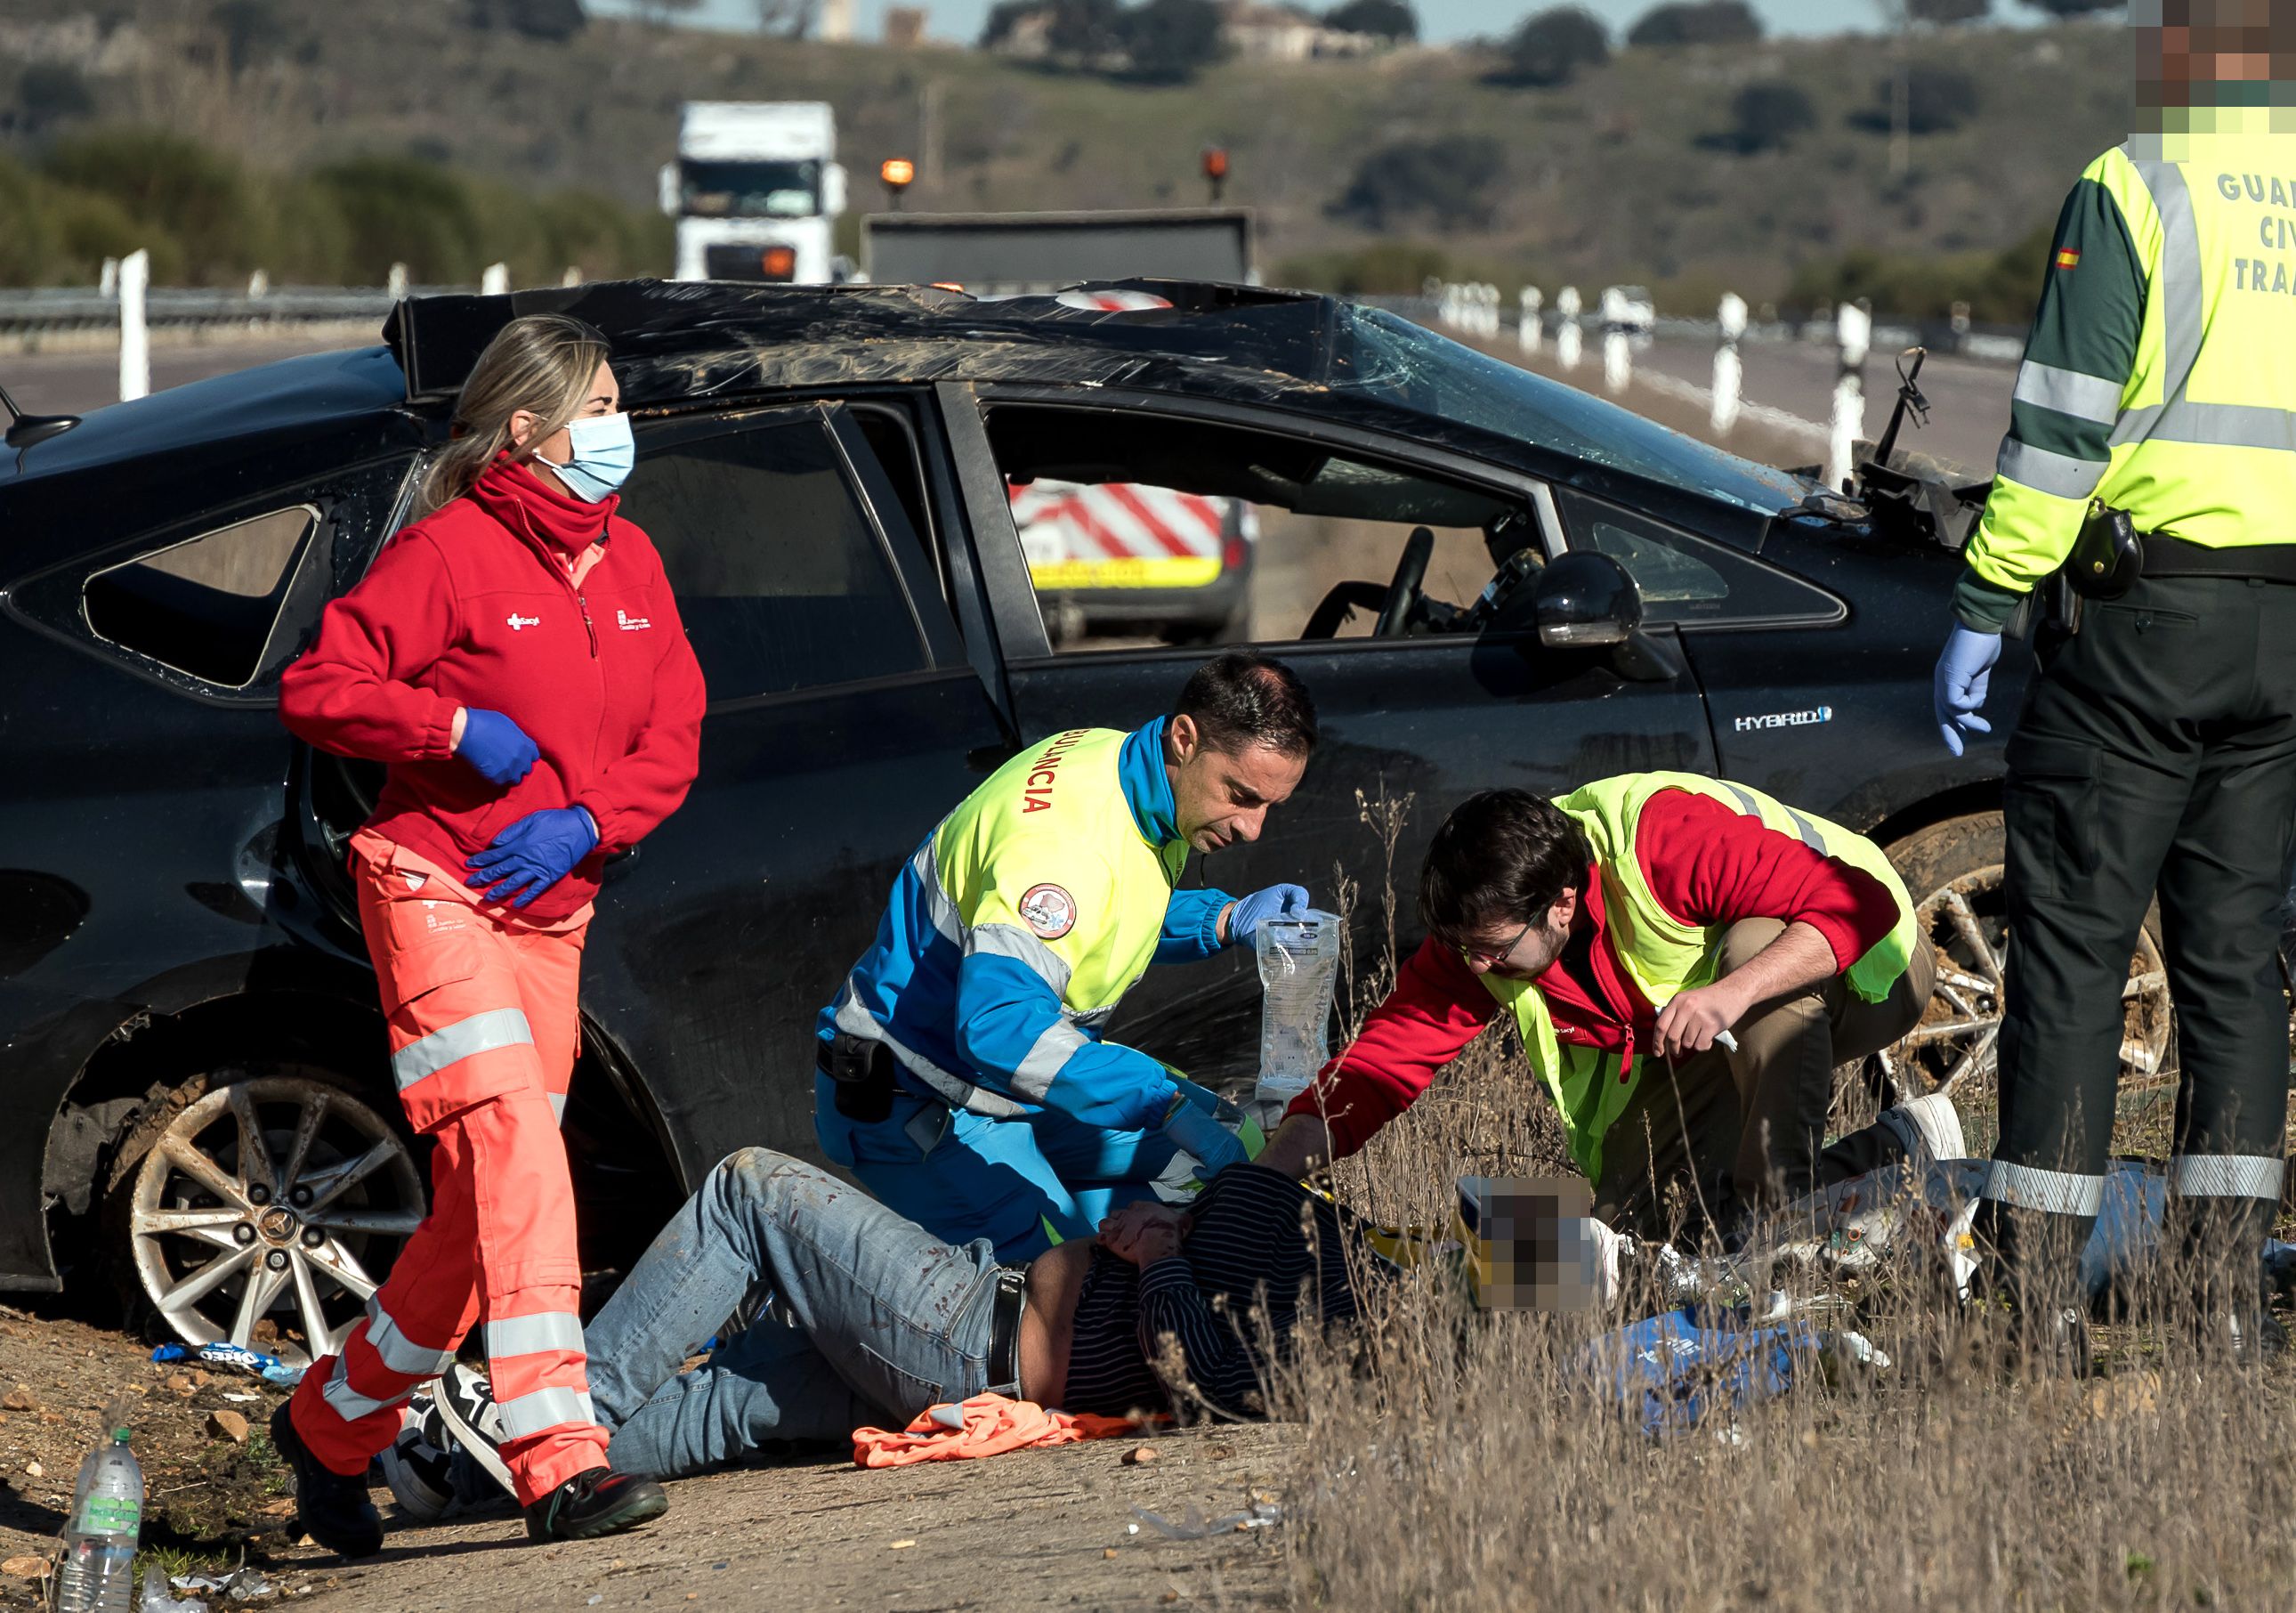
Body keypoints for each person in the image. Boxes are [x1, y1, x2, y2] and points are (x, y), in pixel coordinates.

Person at [272, 312, 707, 1554]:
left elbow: (673, 739)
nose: (623, 430)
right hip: (432, 890)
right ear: (529, 429)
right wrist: (450, 736)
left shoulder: (635, 569)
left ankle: (329, 1427)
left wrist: (587, 824)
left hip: (549, 912)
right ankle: (558, 1460)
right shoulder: (448, 554)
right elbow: (321, 688)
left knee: (480, 1216)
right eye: (603, 408)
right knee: (520, 1156)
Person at [1929, 7, 2296, 1358]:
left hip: (2146, 625)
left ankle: (2035, 1311)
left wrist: (1982, 599)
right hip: (2282, 629)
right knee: (2235, 972)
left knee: (2079, 961)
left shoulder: (2138, 184)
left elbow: (2061, 431)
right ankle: (2216, 1304)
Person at [383, 1148, 1366, 1504]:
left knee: (748, 1193)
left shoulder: (1373, 1326)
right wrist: (1177, 1219)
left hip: (968, 1336)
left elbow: (1206, 1371)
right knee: (734, 1399)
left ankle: (545, 1416)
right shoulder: (1389, 1253)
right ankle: (461, 1476)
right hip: (984, 1322)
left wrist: (1164, 1255)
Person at [1253, 774, 1956, 1242]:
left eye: (1493, 950)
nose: (1476, 967)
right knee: (1640, 1245)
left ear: (1561, 905)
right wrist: (1269, 1175)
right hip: (1707, 1032)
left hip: (1867, 964)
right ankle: (1900, 1153)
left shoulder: (1663, 839)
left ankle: (1782, 1228)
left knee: (1750, 954)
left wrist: (1729, 994)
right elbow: (1380, 1065)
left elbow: (1859, 901)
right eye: (1463, 948)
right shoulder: (1484, 929)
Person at [814, 652, 1320, 1262]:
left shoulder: (1124, 768)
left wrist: (1222, 919)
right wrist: (1158, 1103)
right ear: (1185, 738)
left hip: (1004, 1087)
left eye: (1270, 805)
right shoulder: (1063, 842)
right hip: (924, 1102)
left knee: (1226, 1152)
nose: (1253, 828)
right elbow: (1000, 1029)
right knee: (1074, 1297)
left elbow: (1095, 913)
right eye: (1241, 795)